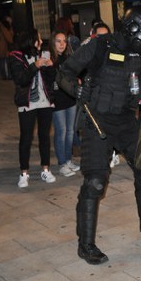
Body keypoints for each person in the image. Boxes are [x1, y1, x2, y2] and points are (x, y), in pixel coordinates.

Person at [56, 5, 141, 265]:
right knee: (95, 183)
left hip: (124, 120)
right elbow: (64, 73)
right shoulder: (99, 46)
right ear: (134, 30)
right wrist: (75, 90)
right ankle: (85, 245)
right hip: (97, 121)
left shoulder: (139, 53)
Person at [7, 29, 57, 188]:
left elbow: (51, 79)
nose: (41, 42)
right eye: (38, 39)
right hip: (27, 103)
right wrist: (35, 66)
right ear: (30, 41)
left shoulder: (43, 54)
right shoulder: (16, 57)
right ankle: (24, 173)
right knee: (26, 138)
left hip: (45, 102)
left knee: (44, 136)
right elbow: (21, 79)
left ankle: (46, 169)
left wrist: (50, 67)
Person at [50, 31, 81, 177]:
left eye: (64, 41)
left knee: (70, 132)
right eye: (58, 41)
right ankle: (62, 163)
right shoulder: (50, 60)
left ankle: (68, 160)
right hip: (57, 100)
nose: (62, 44)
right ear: (53, 43)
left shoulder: (69, 58)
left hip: (70, 99)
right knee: (61, 132)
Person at [0, 15, 14, 80]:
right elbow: (10, 38)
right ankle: (7, 76)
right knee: (5, 62)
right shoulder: (3, 27)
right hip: (4, 47)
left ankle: (5, 76)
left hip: (0, 46)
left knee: (2, 61)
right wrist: (10, 25)